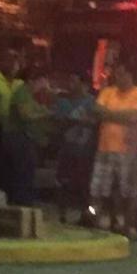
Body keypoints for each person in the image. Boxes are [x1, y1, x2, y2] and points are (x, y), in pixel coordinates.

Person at [88, 62, 137, 236]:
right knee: (97, 188)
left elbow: (135, 117)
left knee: (127, 190)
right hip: (104, 147)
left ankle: (127, 224)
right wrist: (123, 117)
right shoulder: (107, 92)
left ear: (130, 75)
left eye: (122, 74)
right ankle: (95, 218)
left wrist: (109, 115)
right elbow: (97, 110)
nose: (118, 78)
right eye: (117, 75)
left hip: (127, 150)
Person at [2, 69, 51, 206]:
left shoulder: (29, 95)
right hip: (16, 136)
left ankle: (24, 198)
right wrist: (43, 115)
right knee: (22, 168)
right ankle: (20, 199)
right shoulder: (22, 92)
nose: (45, 85)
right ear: (33, 80)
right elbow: (25, 114)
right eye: (42, 82)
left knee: (27, 168)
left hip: (25, 137)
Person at [52, 73, 96, 223]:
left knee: (85, 183)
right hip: (67, 148)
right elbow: (58, 122)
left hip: (84, 149)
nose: (70, 84)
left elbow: (96, 122)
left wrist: (82, 122)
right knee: (63, 182)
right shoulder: (63, 101)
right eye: (69, 80)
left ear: (83, 84)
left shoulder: (91, 102)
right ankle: (62, 215)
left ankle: (87, 214)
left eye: (74, 81)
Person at [0, 51, 23, 188]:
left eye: (15, 62)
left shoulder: (20, 84)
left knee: (13, 163)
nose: (13, 65)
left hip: (16, 129)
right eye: (9, 61)